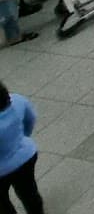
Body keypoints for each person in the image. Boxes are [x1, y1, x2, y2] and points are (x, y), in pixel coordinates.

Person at [0, 82, 42, 214]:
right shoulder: (18, 100)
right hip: (25, 157)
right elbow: (31, 119)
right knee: (29, 193)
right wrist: (20, 137)